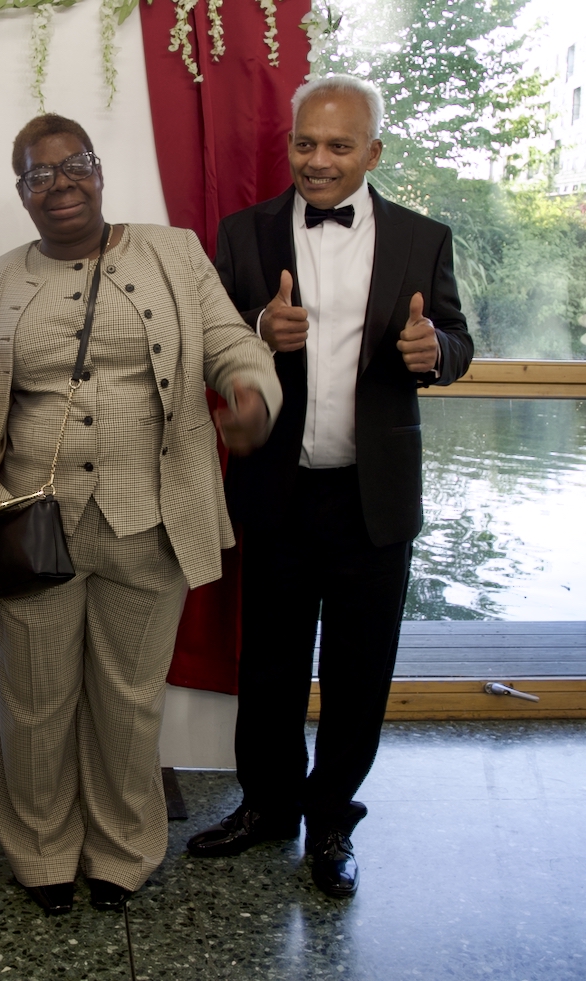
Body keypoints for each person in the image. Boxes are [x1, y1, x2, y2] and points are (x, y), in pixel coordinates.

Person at [0, 114, 283, 916]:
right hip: (35, 525)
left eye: (74, 165)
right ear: (22, 193)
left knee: (130, 697)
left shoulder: (175, 254)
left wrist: (252, 395)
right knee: (34, 700)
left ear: (99, 169)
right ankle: (41, 848)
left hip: (151, 518)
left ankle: (121, 848)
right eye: (39, 174)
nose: (60, 184)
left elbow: (233, 345)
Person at [186, 75, 473, 898]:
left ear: (372, 152)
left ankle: (332, 820)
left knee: (359, 669)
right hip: (277, 484)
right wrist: (256, 329)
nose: (318, 160)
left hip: (373, 495)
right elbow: (208, 337)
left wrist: (434, 352)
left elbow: (456, 340)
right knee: (270, 662)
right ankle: (268, 804)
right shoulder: (243, 233)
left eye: (339, 146)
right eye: (306, 143)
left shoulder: (423, 237)